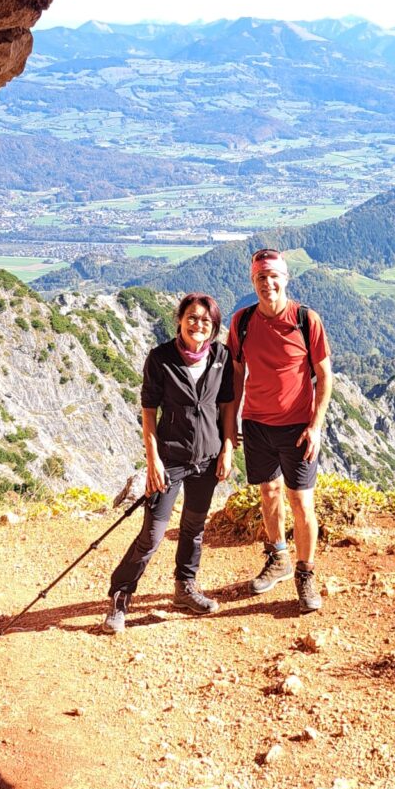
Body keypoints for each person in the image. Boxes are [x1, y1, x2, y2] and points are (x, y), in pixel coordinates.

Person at [102, 292, 235, 633]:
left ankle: (185, 587)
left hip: (207, 459)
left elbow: (227, 407)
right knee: (153, 532)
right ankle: (121, 594)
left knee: (194, 528)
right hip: (170, 459)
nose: (198, 324)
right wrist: (153, 461)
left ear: (214, 326)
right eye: (192, 317)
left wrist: (228, 448)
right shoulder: (160, 358)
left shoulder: (221, 356)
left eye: (206, 320)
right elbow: (149, 412)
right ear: (179, 319)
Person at [228, 248, 333, 613]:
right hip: (256, 423)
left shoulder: (306, 320)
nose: (267, 283)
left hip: (298, 428)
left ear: (285, 279)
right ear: (252, 281)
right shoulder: (241, 322)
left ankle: (306, 573)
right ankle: (279, 557)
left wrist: (316, 427)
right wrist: (231, 424)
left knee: (301, 501)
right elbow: (237, 374)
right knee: (269, 492)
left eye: (273, 276)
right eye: (260, 277)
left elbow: (324, 376)